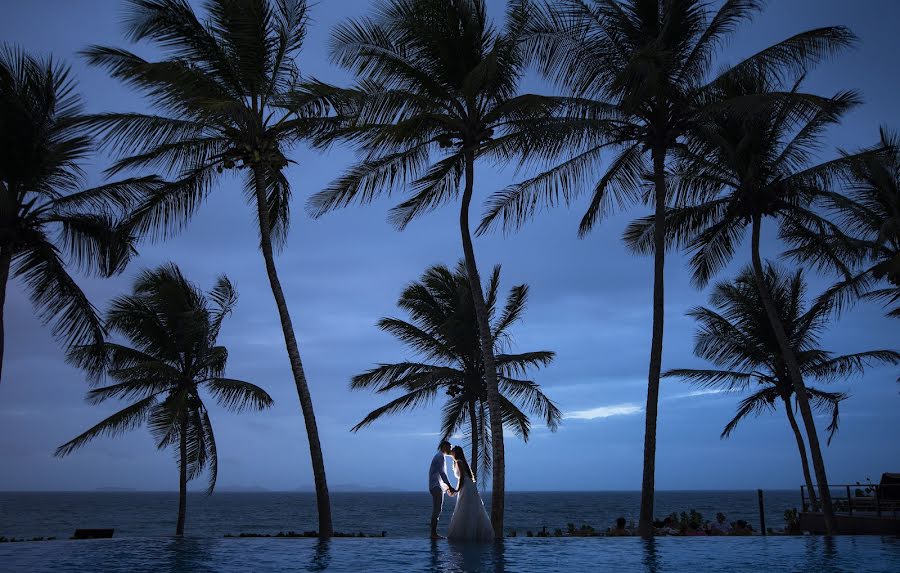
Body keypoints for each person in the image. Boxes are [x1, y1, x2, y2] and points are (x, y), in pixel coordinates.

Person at [446, 446, 494, 542]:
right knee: (470, 508)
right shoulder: (459, 462)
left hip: (466, 486)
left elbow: (462, 478)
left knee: (465, 508)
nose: (452, 453)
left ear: (456, 453)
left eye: (453, 451)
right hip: (468, 486)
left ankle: (466, 534)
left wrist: (456, 490)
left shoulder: (459, 462)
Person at [429, 441, 456, 539]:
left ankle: (433, 533)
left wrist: (447, 487)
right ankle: (433, 533)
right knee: (437, 510)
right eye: (449, 447)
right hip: (436, 486)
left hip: (436, 486)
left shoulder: (440, 456)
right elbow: (442, 473)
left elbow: (441, 474)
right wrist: (449, 486)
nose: (450, 449)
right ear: (444, 446)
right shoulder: (440, 457)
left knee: (437, 509)